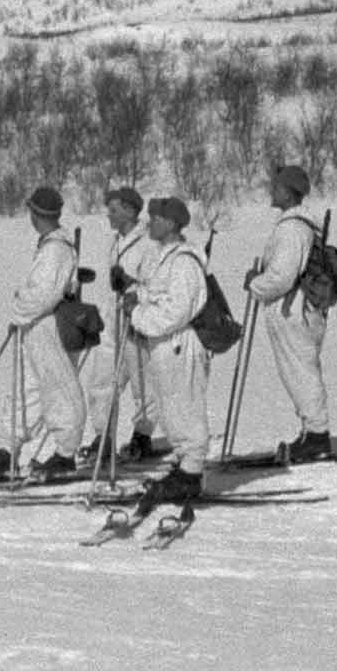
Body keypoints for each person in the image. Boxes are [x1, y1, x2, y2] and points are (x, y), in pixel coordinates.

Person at [0, 186, 89, 481]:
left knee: (58, 387)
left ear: (36, 214)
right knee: (27, 389)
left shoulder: (56, 250)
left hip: (49, 326)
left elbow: (45, 295)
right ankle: (7, 451)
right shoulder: (50, 246)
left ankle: (65, 454)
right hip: (36, 327)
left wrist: (19, 309)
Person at [121, 197, 210, 504]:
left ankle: (191, 471)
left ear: (171, 223)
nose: (150, 223)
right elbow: (159, 293)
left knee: (185, 406)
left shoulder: (184, 261)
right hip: (164, 346)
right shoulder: (165, 256)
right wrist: (139, 296)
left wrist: (136, 315)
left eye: (156, 218)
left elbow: (176, 312)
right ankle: (185, 466)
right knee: (171, 407)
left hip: (179, 344)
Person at [244, 164, 332, 462]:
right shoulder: (299, 226)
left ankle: (317, 436)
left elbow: (281, 278)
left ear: (288, 191)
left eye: (278, 186)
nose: (273, 190)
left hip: (293, 311)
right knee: (301, 370)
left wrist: (255, 284)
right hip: (300, 310)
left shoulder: (292, 228)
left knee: (301, 372)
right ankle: (313, 432)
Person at [103, 186, 160, 461]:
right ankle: (103, 436)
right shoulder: (118, 241)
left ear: (129, 210)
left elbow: (154, 283)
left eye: (113, 210)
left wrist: (131, 285)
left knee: (142, 379)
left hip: (137, 319)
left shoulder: (147, 243)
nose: (108, 215)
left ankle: (143, 435)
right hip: (116, 318)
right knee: (105, 379)